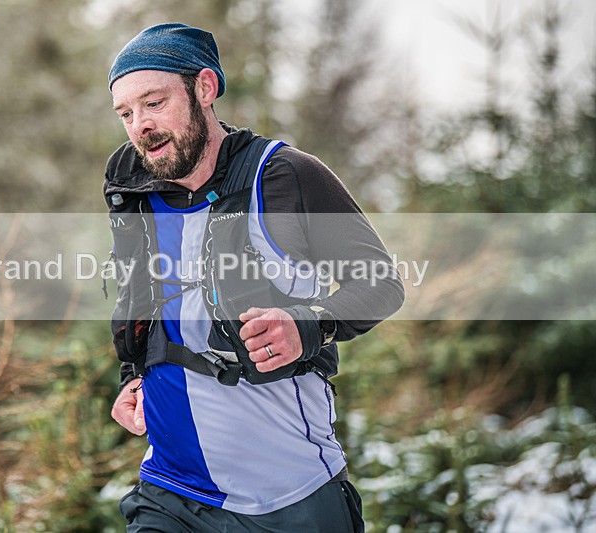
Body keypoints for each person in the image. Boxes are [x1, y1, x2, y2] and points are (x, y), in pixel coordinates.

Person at [103, 23, 404, 532]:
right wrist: (133, 376)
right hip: (170, 491)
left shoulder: (286, 176)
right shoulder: (132, 190)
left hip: (288, 496)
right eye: (126, 113)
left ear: (204, 88)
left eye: (154, 103)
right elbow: (146, 307)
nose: (140, 126)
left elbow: (380, 283)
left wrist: (309, 324)